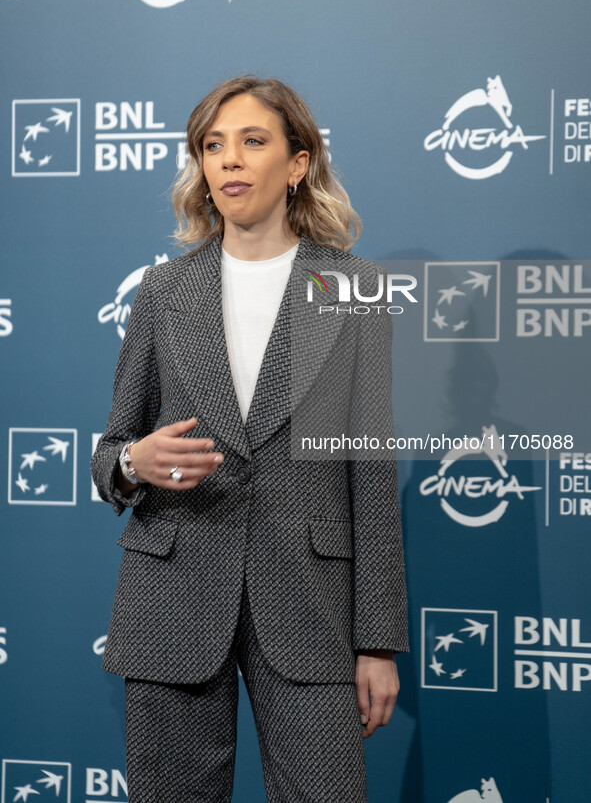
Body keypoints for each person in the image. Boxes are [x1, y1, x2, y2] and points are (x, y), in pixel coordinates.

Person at [91, 75, 409, 803]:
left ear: (297, 162)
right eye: (213, 144)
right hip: (172, 594)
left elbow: (370, 477)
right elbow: (110, 450)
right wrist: (135, 461)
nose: (229, 159)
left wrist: (377, 641)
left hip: (309, 602)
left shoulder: (349, 289)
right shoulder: (164, 289)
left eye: (253, 141)